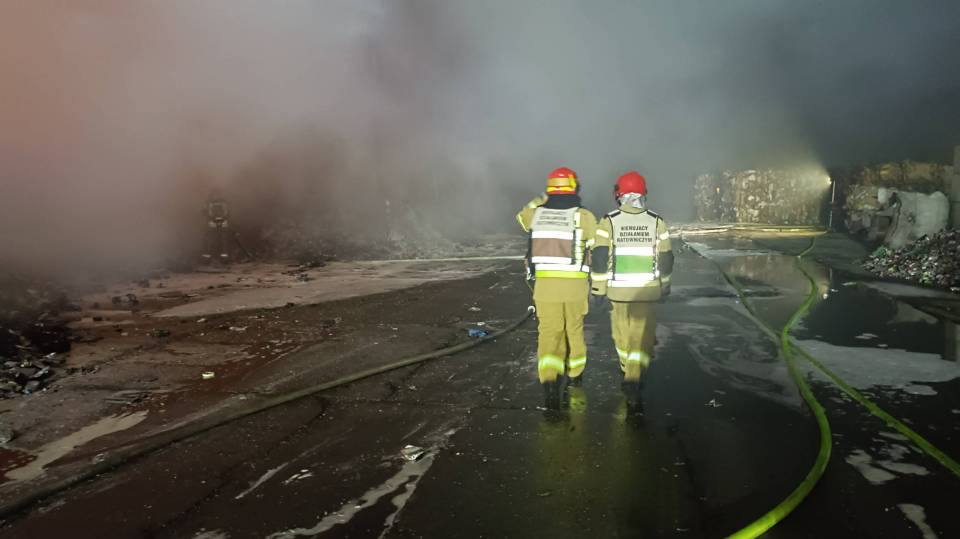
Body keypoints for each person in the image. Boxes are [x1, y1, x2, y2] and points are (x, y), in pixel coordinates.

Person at [590, 171, 674, 410]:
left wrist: (598, 290)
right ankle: (634, 380)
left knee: (621, 334)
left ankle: (627, 370)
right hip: (647, 292)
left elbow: (599, 258)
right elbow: (666, 258)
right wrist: (665, 286)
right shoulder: (657, 222)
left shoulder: (608, 221)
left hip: (618, 293)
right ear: (643, 194)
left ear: (619, 195)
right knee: (641, 337)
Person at [517, 167, 598, 409]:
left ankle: (550, 382)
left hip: (545, 288)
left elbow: (521, 217)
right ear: (575, 187)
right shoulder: (584, 216)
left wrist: (541, 199)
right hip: (575, 287)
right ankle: (575, 376)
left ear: (550, 188)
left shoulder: (536, 215)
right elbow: (597, 246)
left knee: (549, 333)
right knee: (574, 330)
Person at [202, 189, 231, 262]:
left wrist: (212, 219)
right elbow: (227, 212)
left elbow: (206, 212)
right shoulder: (223, 201)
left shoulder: (210, 202)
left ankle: (208, 258)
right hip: (220, 222)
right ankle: (222, 258)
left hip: (215, 222)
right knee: (219, 240)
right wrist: (223, 219)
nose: (216, 195)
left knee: (216, 240)